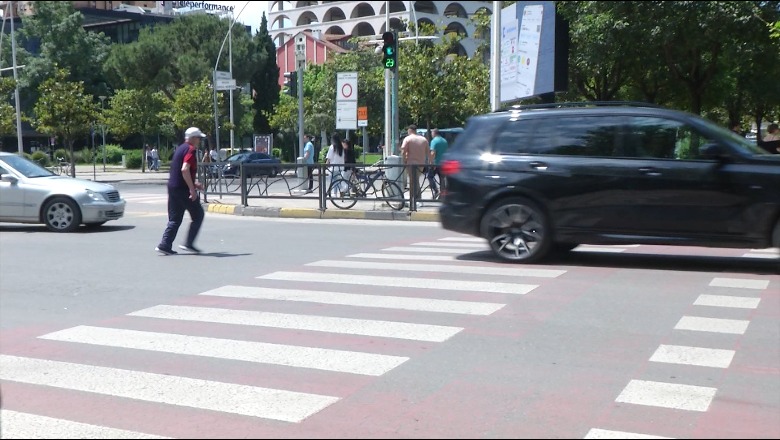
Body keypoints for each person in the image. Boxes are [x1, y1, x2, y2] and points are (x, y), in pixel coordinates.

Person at [155, 127, 207, 255]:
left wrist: (194, 183)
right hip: (183, 190)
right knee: (198, 215)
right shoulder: (190, 149)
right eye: (198, 138)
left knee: (175, 219)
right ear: (193, 138)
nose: (199, 141)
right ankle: (188, 243)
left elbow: (180, 171)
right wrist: (192, 189)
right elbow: (185, 169)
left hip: (173, 187)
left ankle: (165, 244)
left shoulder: (180, 148)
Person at [400, 124, 429, 208]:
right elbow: (428, 152)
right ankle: (415, 199)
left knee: (413, 182)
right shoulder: (423, 139)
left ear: (410, 130)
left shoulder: (408, 139)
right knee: (416, 180)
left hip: (411, 163)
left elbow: (403, 151)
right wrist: (430, 162)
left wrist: (404, 161)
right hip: (421, 164)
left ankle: (414, 199)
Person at [427, 128, 448, 199]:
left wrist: (431, 162)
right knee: (442, 179)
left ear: (434, 133)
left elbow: (433, 153)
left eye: (432, 133)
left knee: (430, 177)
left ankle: (436, 191)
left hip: (436, 163)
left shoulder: (434, 141)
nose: (431, 135)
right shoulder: (444, 141)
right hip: (444, 163)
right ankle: (442, 195)